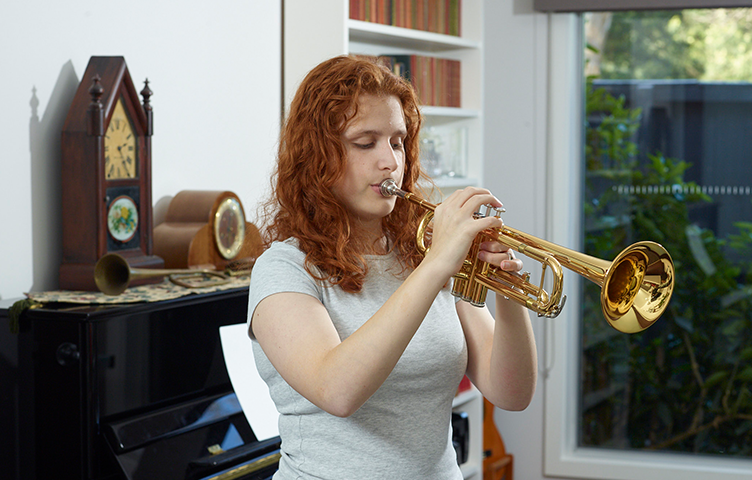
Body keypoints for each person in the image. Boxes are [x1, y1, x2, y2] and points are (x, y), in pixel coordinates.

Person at [247, 55, 537, 479]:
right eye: (366, 143)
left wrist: (508, 291)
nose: (390, 162)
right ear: (317, 156)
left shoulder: (424, 255)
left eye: (397, 142)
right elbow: (338, 390)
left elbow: (511, 393)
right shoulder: (283, 269)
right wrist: (437, 265)